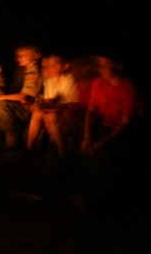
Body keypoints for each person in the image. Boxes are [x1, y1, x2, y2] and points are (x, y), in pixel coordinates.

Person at [70, 52, 144, 216]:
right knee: (84, 149)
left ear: (118, 66)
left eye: (106, 65)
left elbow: (126, 122)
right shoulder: (99, 83)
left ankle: (90, 199)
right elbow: (90, 111)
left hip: (123, 129)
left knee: (105, 152)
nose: (101, 69)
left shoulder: (128, 87)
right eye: (99, 65)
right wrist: (87, 137)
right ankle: (88, 190)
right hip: (104, 124)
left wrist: (101, 143)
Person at [0, 43, 43, 149]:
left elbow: (23, 96)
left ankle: (11, 141)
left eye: (23, 55)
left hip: (31, 106)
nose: (19, 58)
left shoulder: (35, 72)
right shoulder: (21, 70)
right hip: (22, 104)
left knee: (1, 104)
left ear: (35, 55)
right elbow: (13, 91)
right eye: (18, 55)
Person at [26, 52, 79, 158]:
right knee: (37, 113)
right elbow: (50, 100)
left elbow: (68, 106)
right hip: (59, 110)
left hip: (71, 113)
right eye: (44, 66)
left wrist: (46, 108)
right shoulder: (49, 80)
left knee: (51, 116)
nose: (44, 69)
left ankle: (62, 155)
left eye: (49, 66)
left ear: (63, 67)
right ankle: (29, 149)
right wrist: (37, 105)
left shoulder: (68, 80)